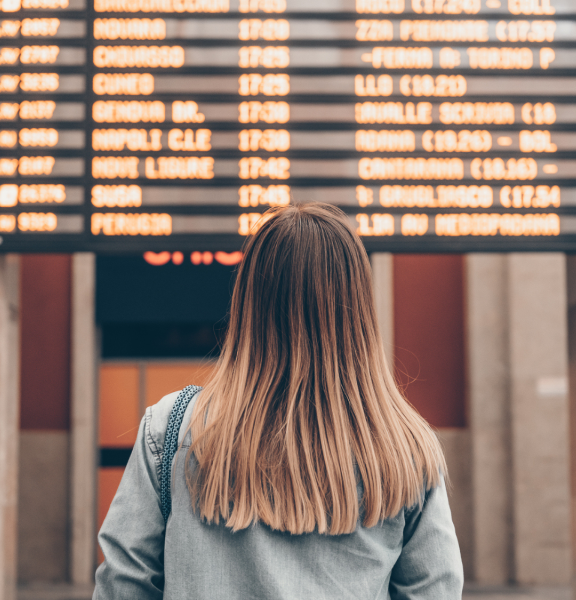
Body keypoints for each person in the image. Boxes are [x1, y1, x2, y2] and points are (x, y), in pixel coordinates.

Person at [94, 203, 463, 599]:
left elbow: (122, 586)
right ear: (358, 308)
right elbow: (435, 589)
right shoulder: (405, 448)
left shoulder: (171, 428)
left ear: (248, 298)